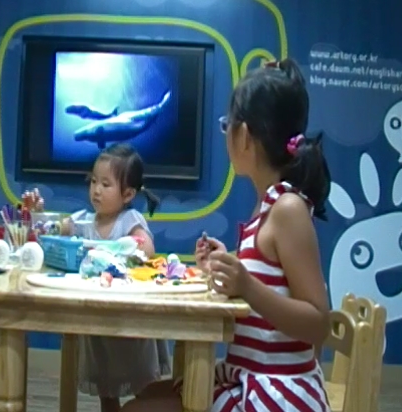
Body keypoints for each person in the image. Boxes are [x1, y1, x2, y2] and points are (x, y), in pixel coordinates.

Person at [121, 58, 332, 412]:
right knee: (146, 395)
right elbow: (269, 284)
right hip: (249, 377)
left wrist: (246, 285)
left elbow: (318, 323)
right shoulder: (268, 207)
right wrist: (225, 267)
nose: (226, 135)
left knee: (136, 410)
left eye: (226, 125)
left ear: (244, 136)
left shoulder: (288, 209)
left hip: (277, 393)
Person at [63, 143, 170, 412]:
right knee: (106, 387)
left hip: (130, 319)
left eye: (105, 184)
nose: (96, 190)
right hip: (98, 320)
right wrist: (41, 214)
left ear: (128, 194)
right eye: (93, 181)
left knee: (142, 387)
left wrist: (126, 245)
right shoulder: (85, 221)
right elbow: (57, 228)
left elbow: (147, 247)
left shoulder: (129, 219)